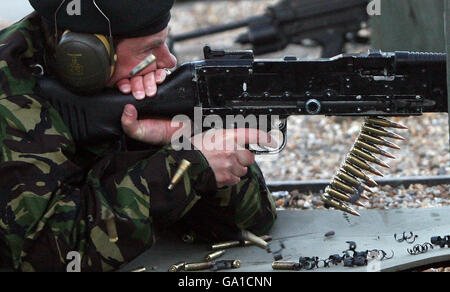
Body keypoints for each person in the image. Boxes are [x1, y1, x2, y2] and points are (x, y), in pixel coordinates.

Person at [0, 0, 277, 272]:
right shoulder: (10, 97)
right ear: (85, 57)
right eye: (150, 49)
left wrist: (180, 139)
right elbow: (45, 255)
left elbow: (251, 222)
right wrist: (182, 167)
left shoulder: (106, 91)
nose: (169, 60)